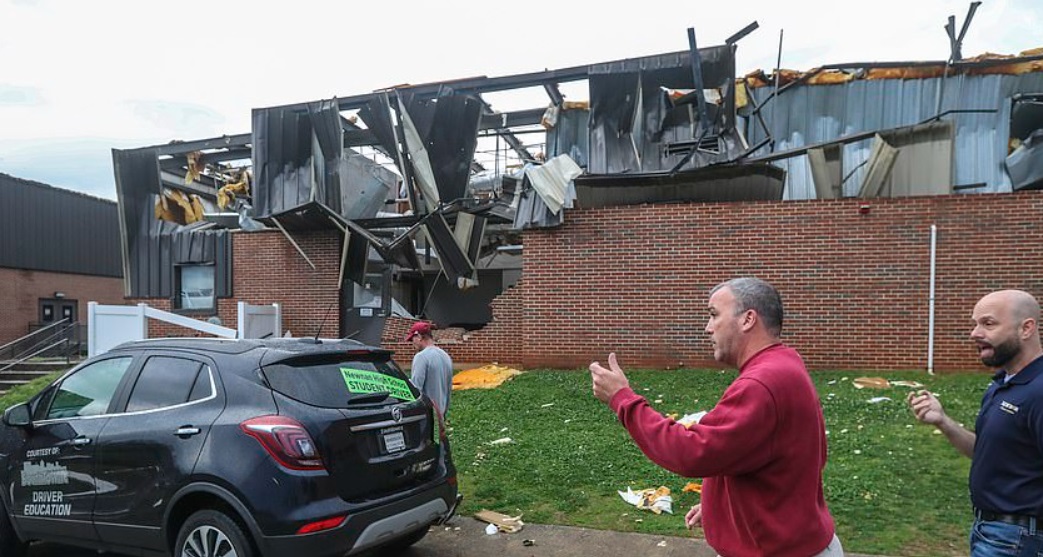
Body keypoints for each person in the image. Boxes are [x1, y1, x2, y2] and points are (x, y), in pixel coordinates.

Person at [589, 277, 841, 557]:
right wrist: (722, 506)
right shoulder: (784, 364)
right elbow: (751, 453)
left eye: (713, 315)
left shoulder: (762, 384)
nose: (708, 328)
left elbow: (692, 451)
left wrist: (622, 399)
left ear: (747, 320)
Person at [908, 289, 1043, 556]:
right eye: (975, 323)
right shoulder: (1002, 384)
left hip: (1019, 540)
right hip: (990, 531)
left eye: (988, 323)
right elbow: (986, 451)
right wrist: (944, 422)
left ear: (1026, 328)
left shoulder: (1039, 392)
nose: (974, 333)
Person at [406, 321, 453, 421]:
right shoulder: (445, 356)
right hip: (441, 415)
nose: (412, 343)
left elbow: (415, 388)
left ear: (418, 336)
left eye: (412, 339)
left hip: (426, 416)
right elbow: (448, 389)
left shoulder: (421, 357)